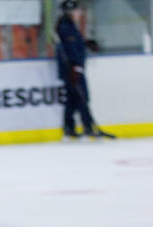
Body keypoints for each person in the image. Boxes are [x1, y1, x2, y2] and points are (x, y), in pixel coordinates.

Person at [55, 0, 97, 139]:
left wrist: (86, 43)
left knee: (73, 99)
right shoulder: (65, 27)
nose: (79, 13)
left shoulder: (70, 25)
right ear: (70, 11)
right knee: (81, 97)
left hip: (73, 69)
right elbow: (70, 49)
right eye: (77, 10)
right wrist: (76, 66)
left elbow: (74, 44)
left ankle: (69, 128)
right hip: (72, 69)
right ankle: (87, 127)